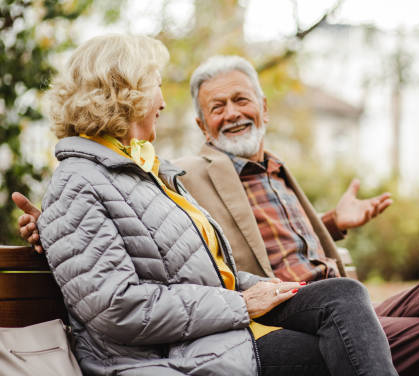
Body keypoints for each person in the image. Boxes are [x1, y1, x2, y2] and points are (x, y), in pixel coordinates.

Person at [14, 54, 419, 376]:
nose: (231, 114)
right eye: (216, 108)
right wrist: (52, 228)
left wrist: (335, 225)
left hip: (327, 299)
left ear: (264, 108)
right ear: (202, 127)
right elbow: (127, 220)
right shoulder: (184, 173)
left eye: (241, 101)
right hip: (263, 316)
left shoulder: (275, 170)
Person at [21, 34, 397, 376]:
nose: (163, 101)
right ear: (125, 92)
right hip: (166, 355)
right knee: (337, 353)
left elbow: (205, 273)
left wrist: (267, 289)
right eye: (154, 85)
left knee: (343, 294)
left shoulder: (146, 171)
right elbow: (117, 308)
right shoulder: (77, 182)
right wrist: (243, 305)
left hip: (211, 328)